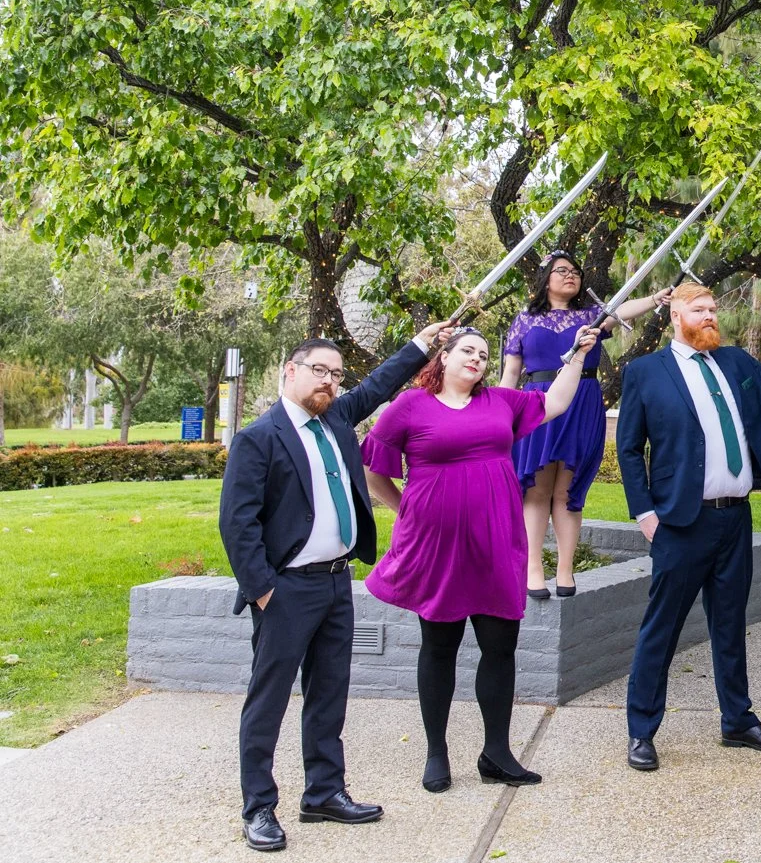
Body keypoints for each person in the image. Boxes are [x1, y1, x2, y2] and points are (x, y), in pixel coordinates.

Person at [219, 318, 451, 853]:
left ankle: (324, 792)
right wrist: (263, 591)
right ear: (290, 372)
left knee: (329, 695)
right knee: (268, 700)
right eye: (319, 370)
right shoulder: (259, 438)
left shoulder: (337, 420)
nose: (330, 381)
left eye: (336, 374)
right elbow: (238, 523)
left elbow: (379, 385)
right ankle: (258, 807)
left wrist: (422, 344)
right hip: (285, 591)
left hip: (335, 585)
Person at [362, 323, 600, 795]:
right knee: (439, 647)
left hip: (495, 541)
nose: (477, 359)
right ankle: (436, 751)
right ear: (443, 356)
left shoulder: (501, 402)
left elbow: (554, 403)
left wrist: (575, 358)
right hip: (438, 547)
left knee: (500, 647)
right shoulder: (411, 405)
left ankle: (497, 752)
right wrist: (405, 507)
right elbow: (373, 469)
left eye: (485, 354)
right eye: (468, 350)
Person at [616, 283, 761, 772]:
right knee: (661, 629)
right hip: (681, 522)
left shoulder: (732, 361)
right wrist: (645, 514)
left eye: (713, 309)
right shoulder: (645, 373)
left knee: (730, 625)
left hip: (736, 518)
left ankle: (737, 721)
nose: (710, 316)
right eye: (700, 309)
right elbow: (628, 448)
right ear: (674, 313)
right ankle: (641, 731)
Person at [498, 250, 669, 600]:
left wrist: (654, 299)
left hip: (584, 400)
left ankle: (565, 568)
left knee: (569, 490)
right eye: (561, 270)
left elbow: (620, 310)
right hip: (538, 403)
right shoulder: (524, 320)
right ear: (545, 278)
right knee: (537, 487)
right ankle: (533, 567)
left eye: (575, 271)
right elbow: (510, 374)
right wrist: (498, 416)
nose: (570, 276)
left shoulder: (591, 316)